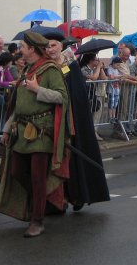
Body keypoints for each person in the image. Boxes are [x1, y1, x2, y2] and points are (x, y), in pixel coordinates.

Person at [0, 32, 70, 237]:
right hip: (22, 130)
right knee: (17, 171)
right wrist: (7, 129)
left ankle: (37, 220)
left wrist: (37, 89)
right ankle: (41, 201)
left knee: (37, 177)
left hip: (41, 132)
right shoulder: (26, 69)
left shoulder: (51, 69)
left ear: (32, 49)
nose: (20, 50)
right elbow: (18, 105)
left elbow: (62, 97)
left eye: (23, 47)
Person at [42, 31, 110, 212]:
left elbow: (77, 96)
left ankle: (77, 195)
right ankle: (55, 200)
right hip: (50, 121)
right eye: (47, 46)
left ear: (61, 46)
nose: (50, 49)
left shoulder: (69, 67)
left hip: (70, 120)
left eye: (53, 45)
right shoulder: (44, 67)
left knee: (72, 159)